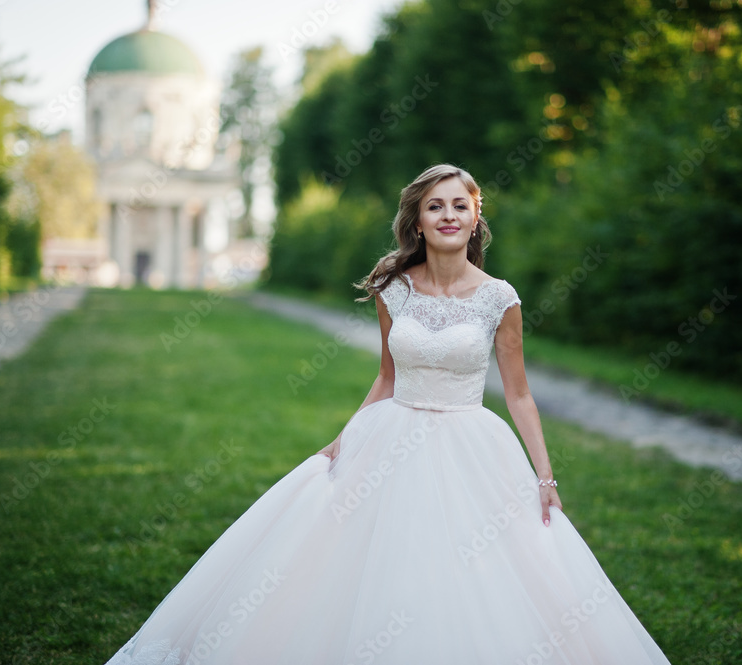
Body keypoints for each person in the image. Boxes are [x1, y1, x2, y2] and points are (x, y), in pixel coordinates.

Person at [105, 164, 671, 664]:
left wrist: (544, 476)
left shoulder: (501, 298)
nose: (448, 215)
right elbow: (387, 375)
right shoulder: (394, 289)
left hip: (472, 444)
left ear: (475, 219)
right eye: (435, 206)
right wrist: (344, 438)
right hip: (390, 435)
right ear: (417, 221)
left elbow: (519, 394)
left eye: (460, 205)